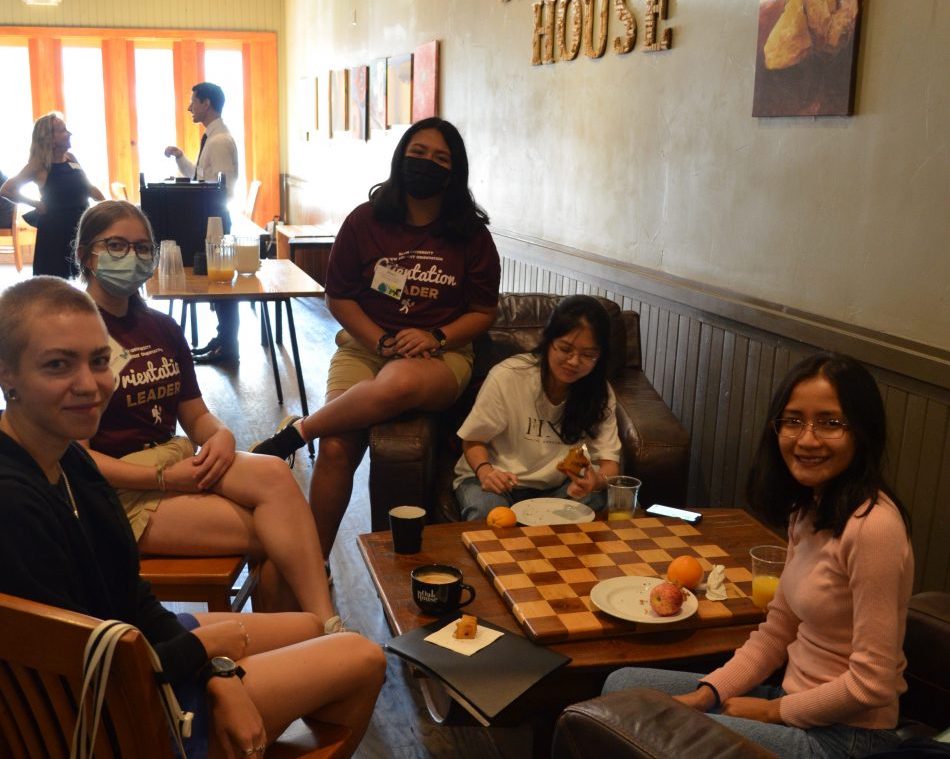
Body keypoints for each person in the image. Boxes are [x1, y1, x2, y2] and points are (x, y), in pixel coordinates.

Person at [0, 276, 386, 758]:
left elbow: (128, 594)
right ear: (7, 373)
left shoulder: (66, 457)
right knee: (364, 657)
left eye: (99, 361)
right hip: (109, 715)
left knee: (309, 628)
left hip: (134, 650)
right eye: (58, 365)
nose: (90, 385)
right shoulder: (14, 505)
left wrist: (216, 668)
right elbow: (82, 670)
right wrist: (209, 657)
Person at [601, 353, 913, 758]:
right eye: (794, 420)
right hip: (792, 696)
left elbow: (873, 684)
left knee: (643, 727)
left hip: (847, 735)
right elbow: (777, 630)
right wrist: (709, 692)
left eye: (831, 423)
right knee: (621, 687)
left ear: (862, 432)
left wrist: (771, 712)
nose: (807, 439)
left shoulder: (874, 526)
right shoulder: (809, 510)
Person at [73, 200, 340, 631]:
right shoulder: (74, 333)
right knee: (276, 536)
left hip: (174, 460)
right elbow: (77, 459)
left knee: (274, 473)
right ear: (88, 255)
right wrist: (162, 480)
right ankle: (299, 638)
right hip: (117, 495)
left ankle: (323, 628)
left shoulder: (161, 327)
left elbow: (195, 416)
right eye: (117, 245)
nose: (133, 257)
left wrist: (220, 435)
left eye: (143, 248)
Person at [252, 117, 501, 554]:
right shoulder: (365, 221)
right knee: (334, 451)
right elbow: (340, 297)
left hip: (442, 357)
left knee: (401, 380)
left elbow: (483, 312)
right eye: (418, 153)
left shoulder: (471, 235)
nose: (426, 163)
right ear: (401, 156)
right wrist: (381, 342)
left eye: (440, 158)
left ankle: (294, 435)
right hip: (364, 349)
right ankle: (314, 563)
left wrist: (437, 336)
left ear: (455, 170)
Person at [453, 295, 621, 521]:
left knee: (609, 500)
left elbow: (610, 465)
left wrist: (595, 481)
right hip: (497, 478)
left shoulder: (599, 392)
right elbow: (472, 440)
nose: (574, 361)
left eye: (588, 355)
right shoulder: (509, 376)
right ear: (548, 340)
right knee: (489, 514)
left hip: (556, 488)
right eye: (565, 348)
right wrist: (486, 472)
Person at [164, 82, 241, 365]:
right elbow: (200, 177)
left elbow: (220, 188)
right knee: (216, 282)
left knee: (221, 283)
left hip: (215, 218)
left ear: (206, 103)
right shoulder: (212, 137)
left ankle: (228, 346)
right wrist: (180, 158)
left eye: (193, 102)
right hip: (209, 216)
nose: (189, 108)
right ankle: (222, 339)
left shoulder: (220, 140)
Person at [0, 112, 104, 278]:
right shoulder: (38, 165)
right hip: (55, 231)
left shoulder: (71, 158)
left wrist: (110, 206)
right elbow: (6, 189)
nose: (69, 134)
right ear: (49, 138)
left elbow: (88, 187)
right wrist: (34, 203)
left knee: (86, 278)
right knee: (55, 283)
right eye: (63, 131)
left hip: (81, 226)